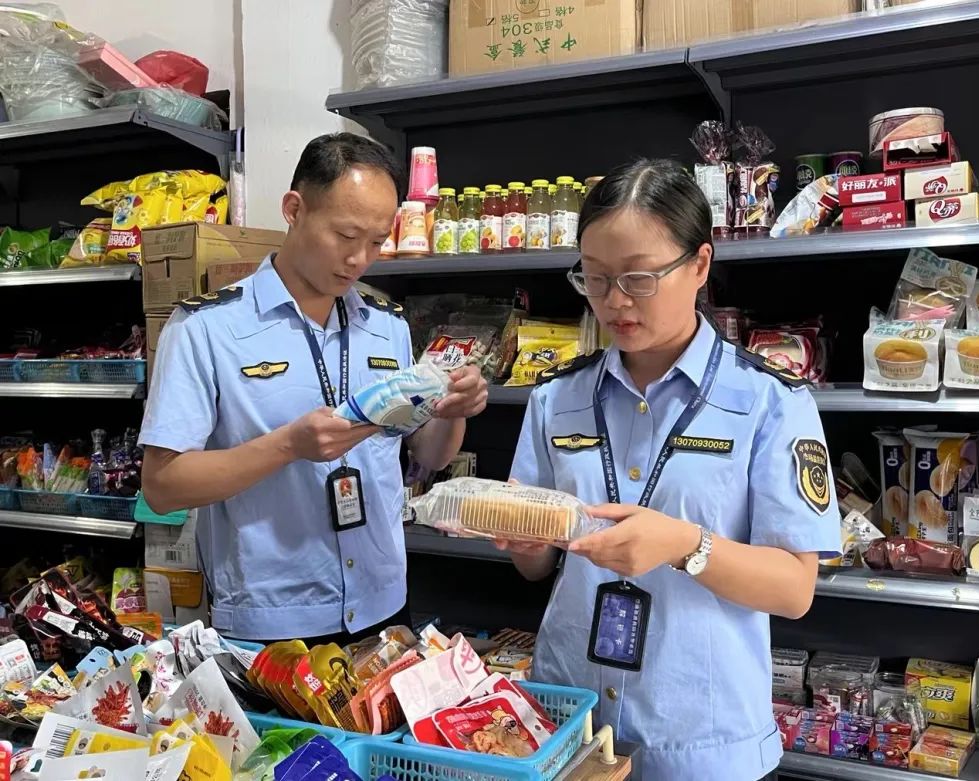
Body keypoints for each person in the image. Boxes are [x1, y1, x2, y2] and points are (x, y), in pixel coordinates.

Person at [504, 159, 840, 780]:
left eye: (639, 278)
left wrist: (686, 545)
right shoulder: (556, 399)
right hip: (566, 725)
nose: (615, 302)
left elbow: (794, 589)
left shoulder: (768, 402)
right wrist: (528, 541)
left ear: (701, 266)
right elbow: (537, 566)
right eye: (596, 280)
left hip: (700, 739)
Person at [139, 133, 488, 644]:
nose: (359, 259)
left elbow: (429, 454)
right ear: (294, 209)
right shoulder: (205, 329)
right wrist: (287, 446)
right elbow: (163, 486)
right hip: (274, 624)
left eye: (376, 241)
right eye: (345, 236)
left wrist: (454, 408)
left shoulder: (386, 325)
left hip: (383, 602)